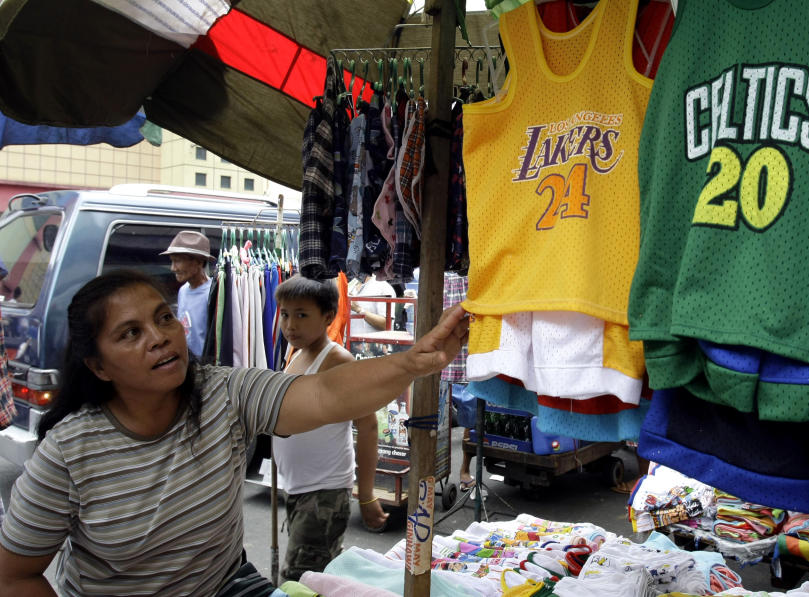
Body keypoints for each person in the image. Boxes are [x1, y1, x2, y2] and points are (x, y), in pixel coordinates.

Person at [0, 269, 468, 596]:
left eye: (164, 318)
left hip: (228, 586)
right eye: (130, 333)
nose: (160, 336)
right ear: (98, 367)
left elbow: (326, 395)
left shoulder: (224, 391)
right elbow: (14, 577)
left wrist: (415, 361)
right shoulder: (69, 453)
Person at [271, 275, 388, 581]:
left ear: (327, 317)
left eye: (301, 315)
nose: (290, 325)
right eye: (285, 314)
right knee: (316, 580)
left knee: (299, 581)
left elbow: (368, 425)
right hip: (300, 489)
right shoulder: (296, 354)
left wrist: (366, 495)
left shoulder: (337, 360)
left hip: (322, 494)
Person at [160, 230, 215, 357]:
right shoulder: (183, 291)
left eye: (178, 261)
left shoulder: (212, 294)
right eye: (172, 261)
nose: (173, 268)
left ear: (199, 262)